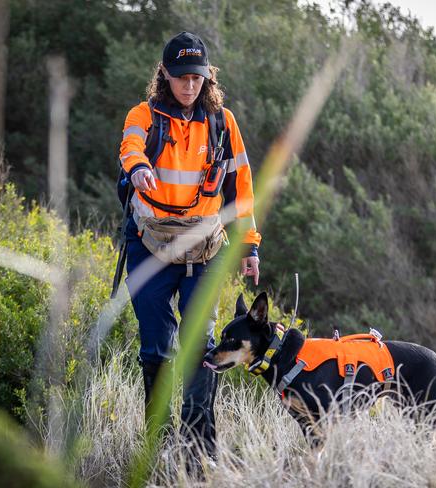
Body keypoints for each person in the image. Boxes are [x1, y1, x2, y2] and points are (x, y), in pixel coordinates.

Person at [118, 31, 261, 457]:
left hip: (206, 251)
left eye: (197, 78)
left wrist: (250, 247)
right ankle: (158, 446)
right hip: (150, 247)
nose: (189, 86)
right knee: (156, 347)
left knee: (200, 342)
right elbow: (129, 145)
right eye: (181, 77)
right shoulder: (143, 114)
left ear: (207, 77)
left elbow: (241, 190)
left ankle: (198, 448)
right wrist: (139, 167)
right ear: (165, 74)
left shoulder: (223, 122)